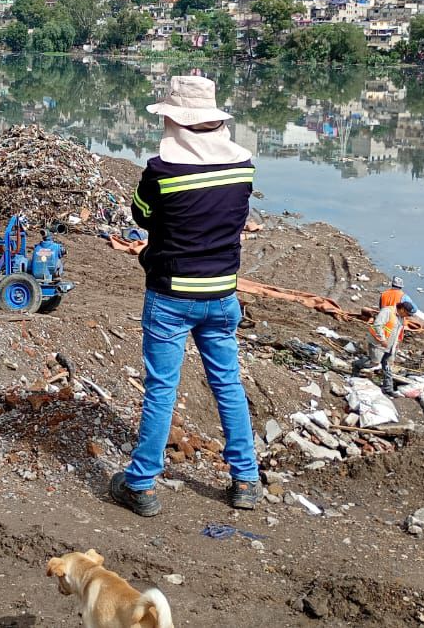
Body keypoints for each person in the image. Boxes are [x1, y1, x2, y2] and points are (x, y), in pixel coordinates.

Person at [110, 76, 260, 517]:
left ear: (174, 121)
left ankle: (140, 484)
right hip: (222, 293)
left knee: (161, 389)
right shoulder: (243, 167)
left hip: (171, 295)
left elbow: (142, 215)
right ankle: (245, 480)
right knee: (228, 384)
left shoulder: (162, 171)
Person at [358, 285, 416, 394]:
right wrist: (382, 340)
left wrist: (396, 344)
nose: (407, 316)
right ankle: (357, 366)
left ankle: (388, 389)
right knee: (374, 363)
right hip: (378, 344)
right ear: (402, 309)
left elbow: (398, 331)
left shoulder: (401, 317)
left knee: (388, 368)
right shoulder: (387, 311)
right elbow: (377, 325)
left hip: (390, 347)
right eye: (407, 313)